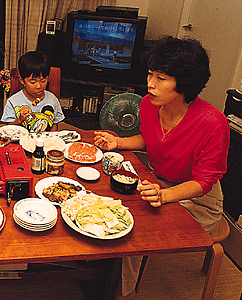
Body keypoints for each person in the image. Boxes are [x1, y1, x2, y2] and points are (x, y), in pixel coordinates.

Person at [94, 36, 230, 299]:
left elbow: (204, 182)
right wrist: (119, 142)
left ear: (185, 82)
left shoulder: (213, 122)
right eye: (149, 74)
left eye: (161, 78)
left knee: (135, 227)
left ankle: (124, 293)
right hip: (159, 182)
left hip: (198, 199)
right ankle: (104, 270)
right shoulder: (148, 104)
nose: (150, 84)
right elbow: (152, 139)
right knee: (109, 198)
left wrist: (164, 195)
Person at [1, 51, 65, 132]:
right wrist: (20, 120)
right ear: (21, 80)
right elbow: (8, 129)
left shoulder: (52, 99)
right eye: (32, 82)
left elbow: (54, 124)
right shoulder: (13, 101)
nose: (38, 86)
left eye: (43, 80)